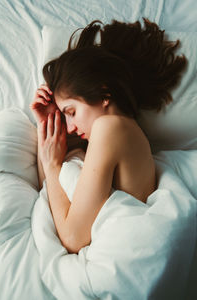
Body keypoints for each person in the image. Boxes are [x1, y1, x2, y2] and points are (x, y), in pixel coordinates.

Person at [30, 18, 186, 254]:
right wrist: (50, 125)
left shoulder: (110, 128)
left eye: (71, 112)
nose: (70, 126)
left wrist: (53, 166)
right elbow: (47, 190)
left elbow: (72, 238)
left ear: (104, 94)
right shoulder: (119, 133)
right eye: (65, 117)